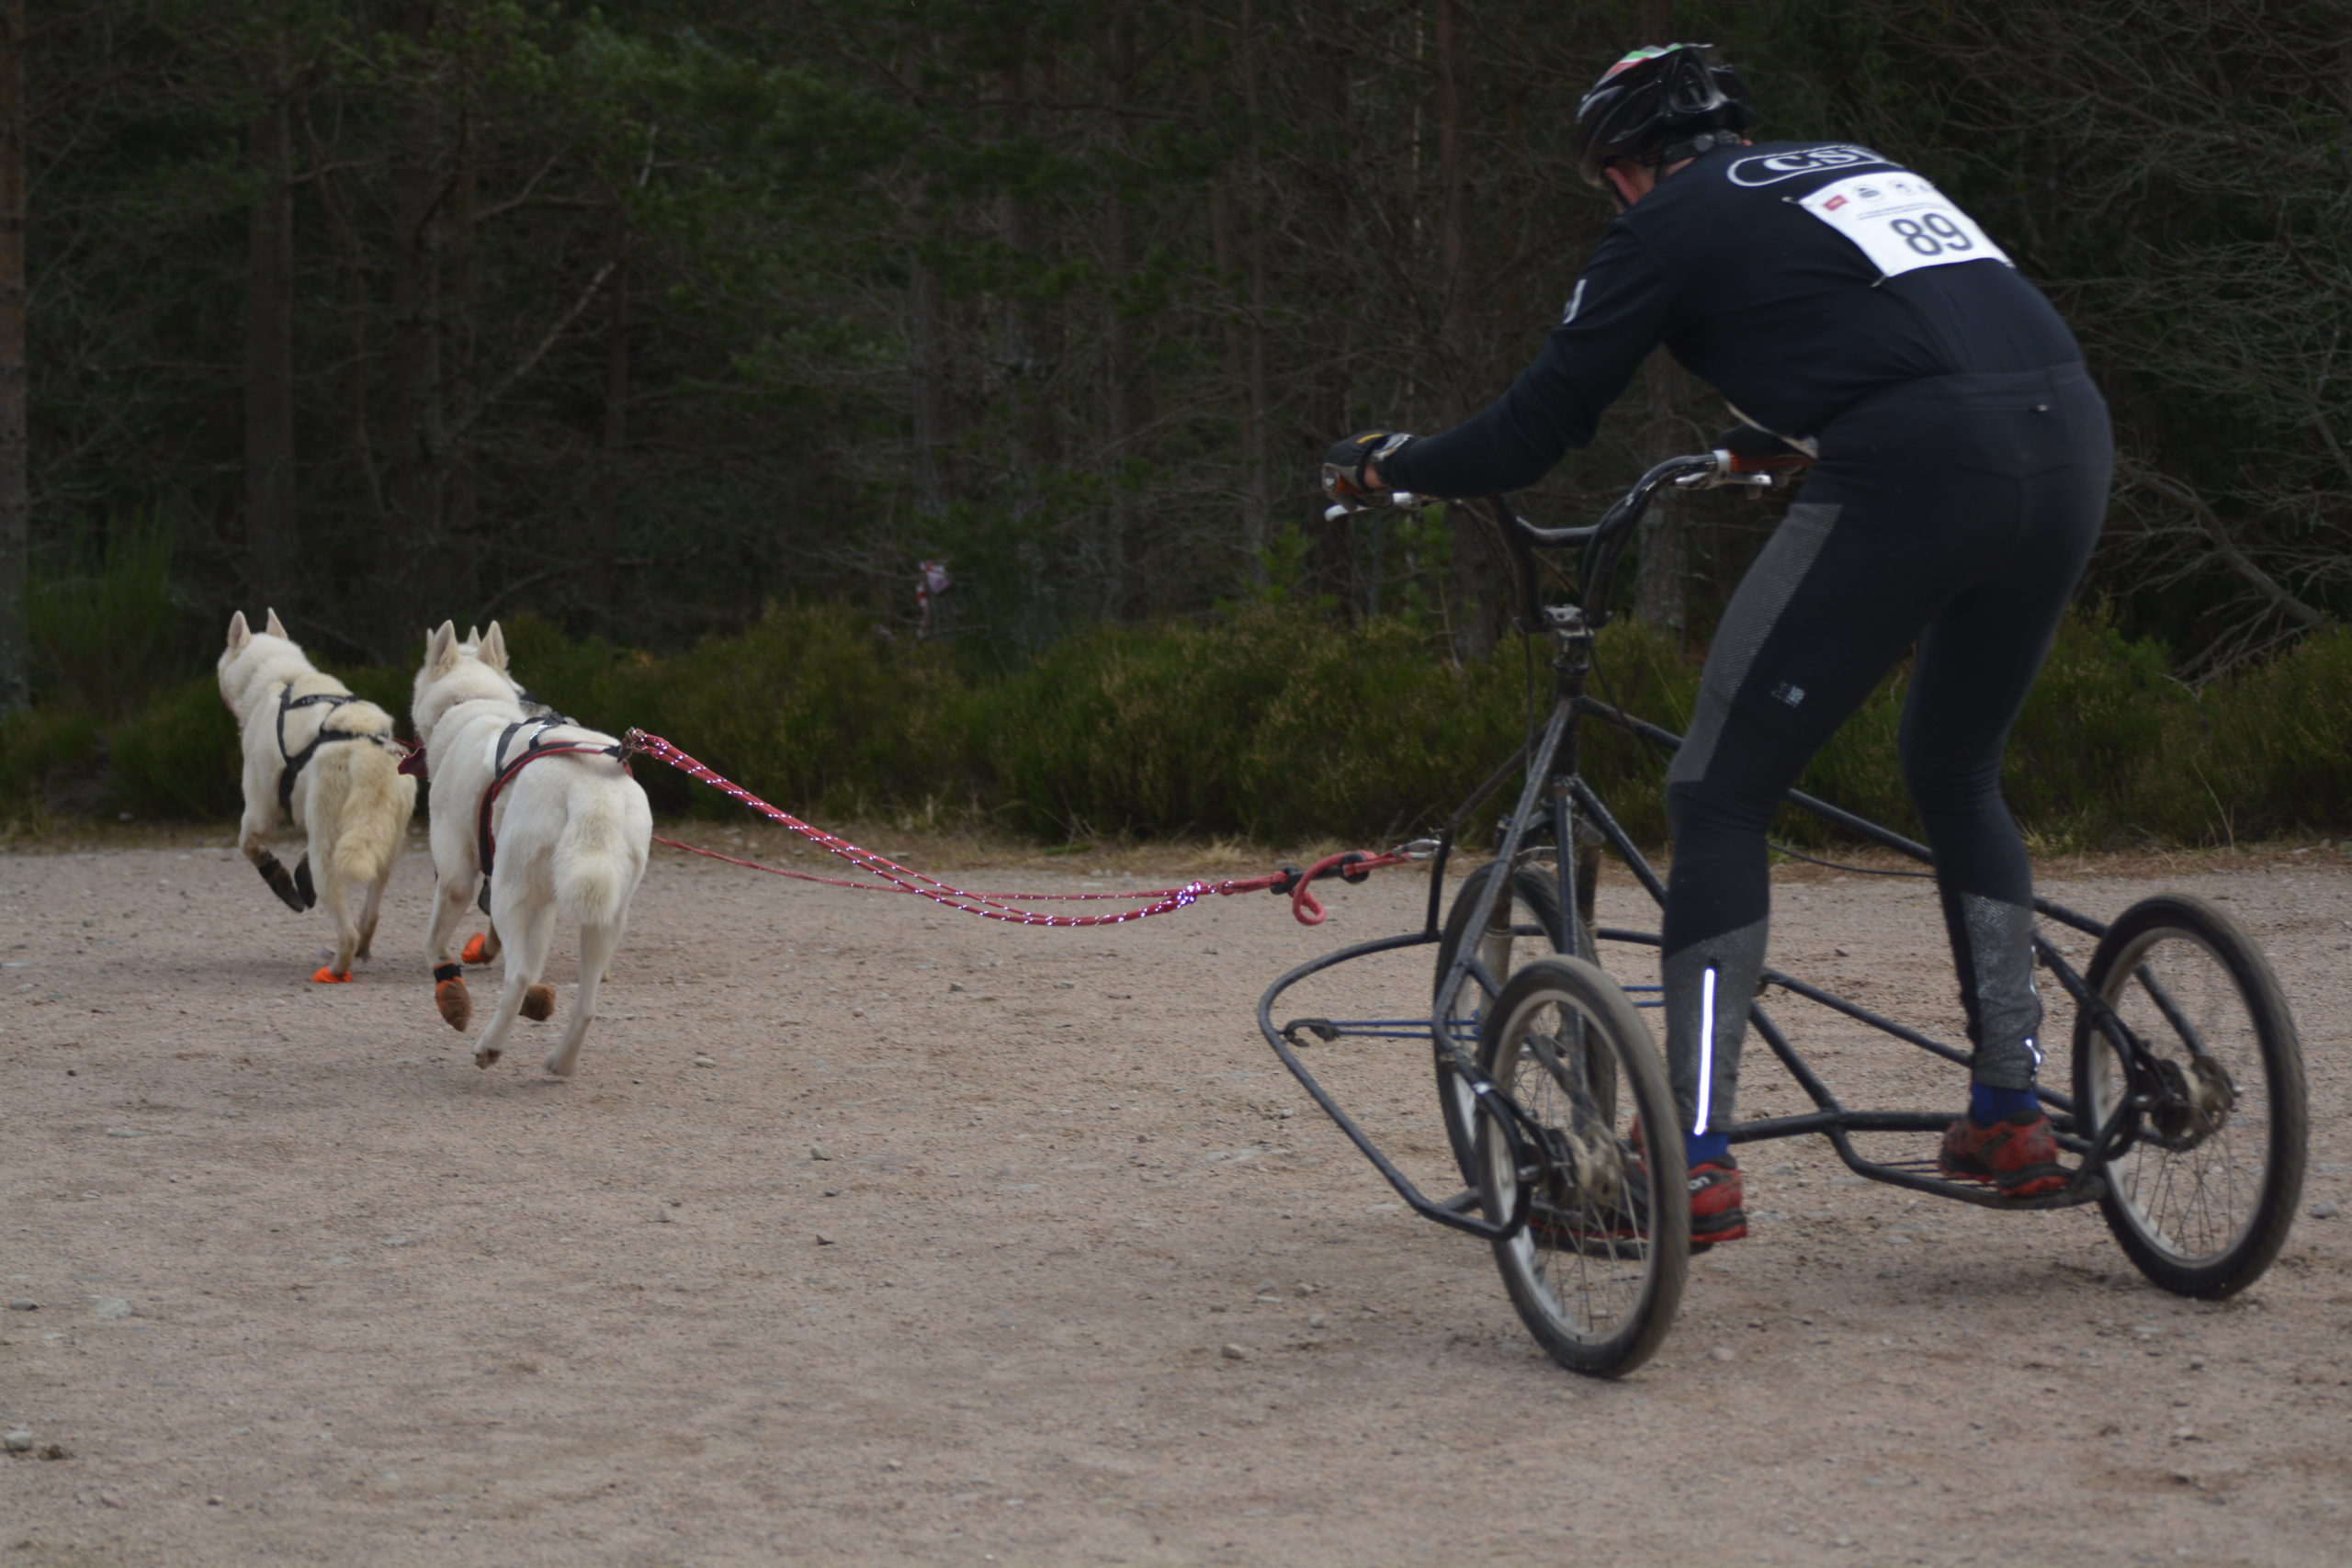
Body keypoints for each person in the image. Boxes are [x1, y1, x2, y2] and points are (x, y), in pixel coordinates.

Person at [1322, 42, 2112, 1247]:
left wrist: (1395, 464)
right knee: (1956, 770)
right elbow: (1924, 333)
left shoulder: (1662, 224)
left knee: (1717, 791)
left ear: (1623, 168)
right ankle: (2011, 1110)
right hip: (2069, 444)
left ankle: (1690, 1158)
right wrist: (1792, 433)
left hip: (1918, 464)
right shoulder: (1851, 168)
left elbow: (1539, 428)